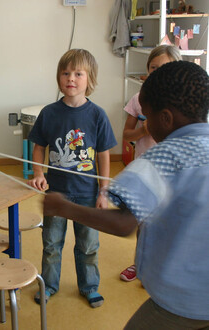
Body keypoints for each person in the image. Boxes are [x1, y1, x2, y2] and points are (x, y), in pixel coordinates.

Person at [43, 61, 209, 329]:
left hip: (182, 301)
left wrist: (63, 207)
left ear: (165, 118)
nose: (144, 122)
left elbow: (123, 223)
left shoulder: (162, 157)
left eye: (146, 116)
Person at [27, 49, 117, 308]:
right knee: (51, 244)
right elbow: (38, 146)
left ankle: (89, 287)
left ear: (90, 79)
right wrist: (38, 173)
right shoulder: (49, 112)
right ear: (59, 77)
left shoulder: (97, 115)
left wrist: (104, 191)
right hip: (56, 193)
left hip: (87, 194)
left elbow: (103, 154)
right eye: (66, 73)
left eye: (78, 73)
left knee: (88, 246)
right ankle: (49, 285)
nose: (71, 78)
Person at [120, 44, 182, 282]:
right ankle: (140, 264)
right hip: (145, 172)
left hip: (173, 174)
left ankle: (164, 269)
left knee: (170, 223)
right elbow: (126, 135)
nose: (157, 72)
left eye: (164, 68)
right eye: (153, 67)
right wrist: (144, 129)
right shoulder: (139, 99)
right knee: (144, 223)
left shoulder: (182, 102)